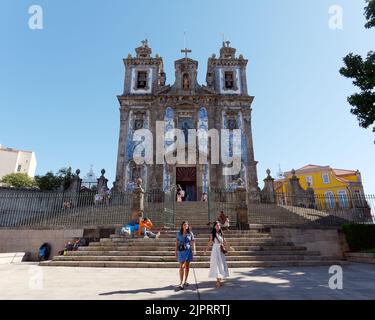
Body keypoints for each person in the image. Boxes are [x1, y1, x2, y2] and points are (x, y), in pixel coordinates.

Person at [204, 221, 229, 288]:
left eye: (219, 225)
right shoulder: (212, 234)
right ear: (214, 226)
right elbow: (210, 242)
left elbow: (225, 241)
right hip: (215, 250)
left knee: (221, 264)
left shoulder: (221, 233)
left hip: (220, 250)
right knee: (216, 265)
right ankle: (218, 280)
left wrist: (230, 247)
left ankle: (219, 277)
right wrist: (206, 250)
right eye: (217, 225)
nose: (218, 226)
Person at [175, 221, 196, 290]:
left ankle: (185, 281)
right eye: (184, 225)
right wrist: (175, 252)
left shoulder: (190, 233)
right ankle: (181, 282)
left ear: (188, 226)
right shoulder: (179, 233)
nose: (185, 226)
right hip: (181, 251)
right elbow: (177, 243)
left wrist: (194, 250)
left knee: (187, 266)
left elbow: (193, 242)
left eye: (186, 225)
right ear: (182, 226)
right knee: (181, 266)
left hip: (188, 250)